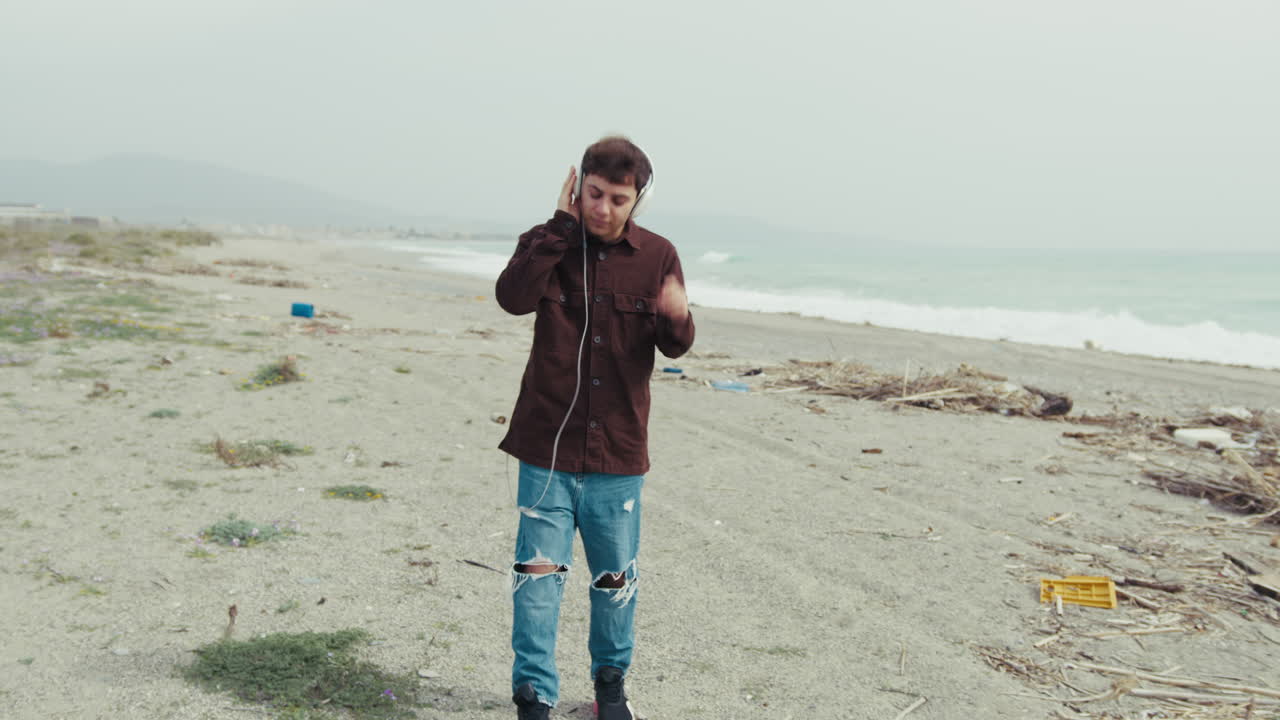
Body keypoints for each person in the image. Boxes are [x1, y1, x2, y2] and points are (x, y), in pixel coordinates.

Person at [495, 136, 695, 719]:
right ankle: (534, 698)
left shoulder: (659, 255)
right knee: (537, 583)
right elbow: (512, 298)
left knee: (613, 586)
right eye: (593, 192)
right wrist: (559, 226)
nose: (602, 208)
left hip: (618, 456)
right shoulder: (546, 241)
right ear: (576, 184)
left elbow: (676, 343)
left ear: (639, 202)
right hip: (546, 451)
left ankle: (611, 689)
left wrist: (679, 316)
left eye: (618, 199)